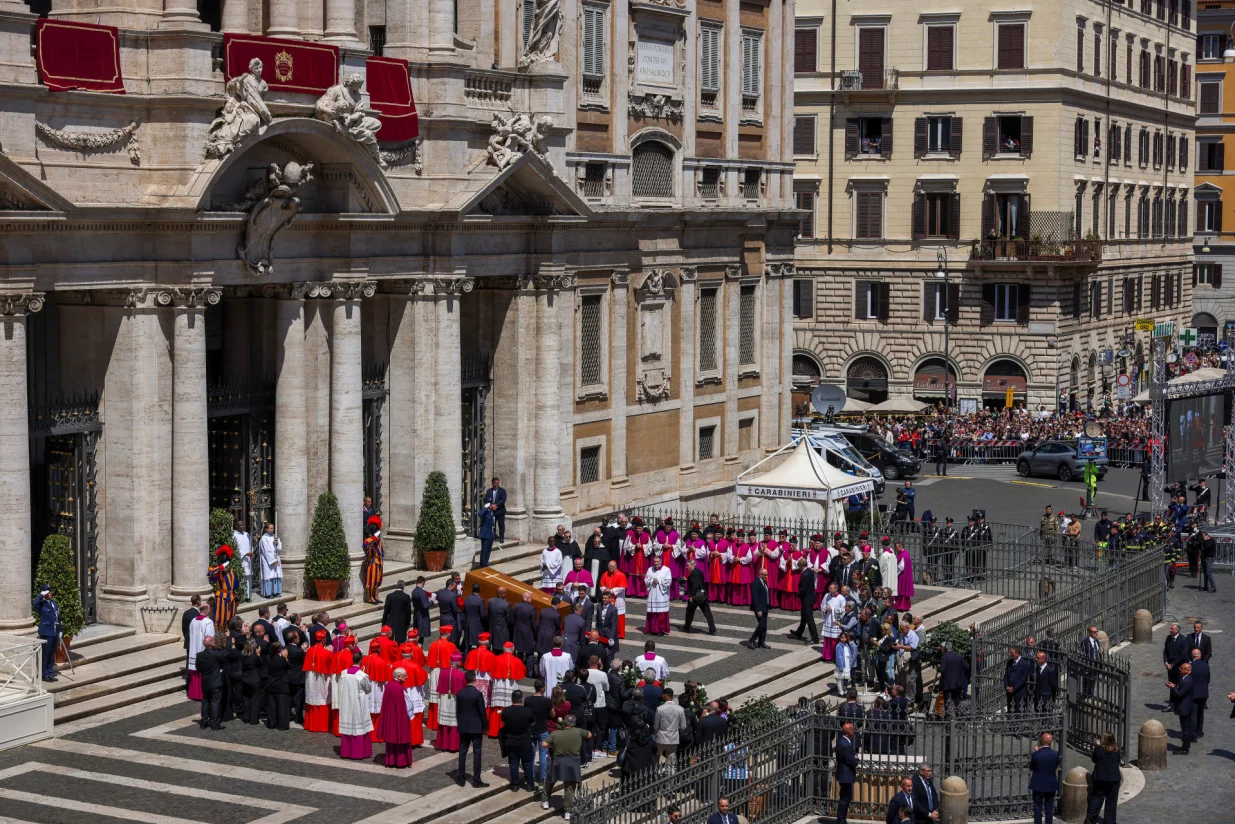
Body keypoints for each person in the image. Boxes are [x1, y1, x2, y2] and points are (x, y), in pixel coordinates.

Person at [541, 713, 590, 815]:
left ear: (564, 723)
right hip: (573, 762)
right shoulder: (579, 732)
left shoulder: (555, 733)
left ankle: (545, 800)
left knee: (550, 780)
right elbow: (589, 734)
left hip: (558, 761)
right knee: (570, 787)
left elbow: (544, 744)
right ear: (574, 723)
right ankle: (568, 810)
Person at [337, 648, 374, 760]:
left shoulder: (343, 673)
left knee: (348, 725)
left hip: (346, 704)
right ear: (361, 661)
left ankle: (346, 752)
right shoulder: (362, 676)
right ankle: (358, 752)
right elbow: (368, 689)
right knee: (359, 727)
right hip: (358, 705)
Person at [453, 670, 489, 786]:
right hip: (476, 727)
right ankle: (476, 779)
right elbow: (482, 712)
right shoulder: (478, 694)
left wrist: (460, 723)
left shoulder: (460, 693)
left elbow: (458, 711)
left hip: (463, 726)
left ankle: (461, 777)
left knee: (462, 752)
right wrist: (485, 726)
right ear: (475, 679)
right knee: (477, 753)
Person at [500, 689, 537, 791]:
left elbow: (504, 723)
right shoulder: (527, 711)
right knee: (528, 763)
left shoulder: (506, 711)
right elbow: (533, 723)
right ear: (521, 699)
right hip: (525, 741)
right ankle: (530, 785)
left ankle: (515, 785)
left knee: (513, 764)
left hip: (511, 741)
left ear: (512, 699)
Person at [378, 667, 414, 768]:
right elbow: (406, 705)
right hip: (399, 718)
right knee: (400, 738)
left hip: (391, 717)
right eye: (404, 675)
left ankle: (391, 760)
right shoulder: (399, 688)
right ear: (398, 676)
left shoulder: (389, 685)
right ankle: (401, 761)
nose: (406, 677)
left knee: (392, 737)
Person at [1085, 732, 1121, 824]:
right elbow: (1117, 761)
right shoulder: (1116, 750)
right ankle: (1110, 821)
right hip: (1113, 779)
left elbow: (1094, 759)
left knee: (1097, 798)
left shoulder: (1099, 750)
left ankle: (1091, 818)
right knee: (1111, 801)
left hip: (1100, 778)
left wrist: (1098, 746)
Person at [32, 585, 62, 683]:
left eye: (50, 592)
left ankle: (49, 673)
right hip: (46, 632)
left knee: (52, 654)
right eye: (47, 593)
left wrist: (60, 630)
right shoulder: (41, 605)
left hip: (54, 632)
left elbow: (58, 618)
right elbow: (34, 603)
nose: (49, 594)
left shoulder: (54, 604)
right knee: (46, 654)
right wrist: (41, 595)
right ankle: (45, 674)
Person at [1028, 732, 1060, 824]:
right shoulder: (1055, 754)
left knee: (1037, 808)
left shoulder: (1036, 754)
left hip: (1038, 784)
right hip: (1051, 784)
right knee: (1049, 808)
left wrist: (1038, 751)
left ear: (1042, 741)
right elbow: (1056, 765)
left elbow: (1032, 767)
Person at [653, 687, 687, 764]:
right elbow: (683, 727)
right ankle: (671, 775)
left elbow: (656, 726)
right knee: (671, 761)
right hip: (673, 738)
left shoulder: (660, 709)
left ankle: (654, 774)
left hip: (661, 738)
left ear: (665, 695)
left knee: (656, 756)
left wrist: (656, 734)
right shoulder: (680, 709)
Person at [1168, 661, 1196, 754]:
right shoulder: (1184, 677)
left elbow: (1180, 694)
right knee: (1184, 728)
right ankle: (1185, 746)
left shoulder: (1188, 681)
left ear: (1187, 671)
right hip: (1184, 707)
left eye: (1182, 668)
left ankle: (1185, 748)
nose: (1180, 669)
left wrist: (1173, 687)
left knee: (1186, 729)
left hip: (1185, 708)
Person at [788, 558, 819, 644]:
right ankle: (799, 633)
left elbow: (804, 588)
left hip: (807, 599)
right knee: (804, 618)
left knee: (809, 619)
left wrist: (798, 595)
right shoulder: (808, 572)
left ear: (801, 565)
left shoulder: (806, 574)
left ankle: (815, 638)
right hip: (808, 598)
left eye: (799, 565)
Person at [643, 553, 673, 636]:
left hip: (661, 595)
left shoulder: (666, 570)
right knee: (652, 613)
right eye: (655, 561)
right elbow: (646, 580)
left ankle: (661, 630)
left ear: (661, 561)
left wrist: (659, 581)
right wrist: (652, 580)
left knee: (661, 614)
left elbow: (668, 581)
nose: (656, 563)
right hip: (653, 593)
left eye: (657, 561)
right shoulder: (650, 569)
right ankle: (651, 629)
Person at [599, 560, 629, 640]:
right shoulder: (605, 574)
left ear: (616, 567)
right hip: (608, 599)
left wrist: (611, 591)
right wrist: (605, 589)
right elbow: (601, 585)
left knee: (619, 616)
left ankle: (619, 634)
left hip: (618, 599)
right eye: (609, 566)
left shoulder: (621, 575)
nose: (610, 568)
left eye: (612, 566)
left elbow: (622, 587)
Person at [835, 721, 858, 824]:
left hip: (845, 773)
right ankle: (841, 820)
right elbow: (854, 761)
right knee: (844, 799)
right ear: (849, 732)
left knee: (845, 798)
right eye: (853, 729)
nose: (854, 731)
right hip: (846, 774)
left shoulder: (844, 741)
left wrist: (855, 756)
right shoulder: (844, 744)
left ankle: (842, 819)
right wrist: (856, 758)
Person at [1162, 623, 1189, 711]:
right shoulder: (1168, 638)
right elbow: (1165, 651)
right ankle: (1171, 705)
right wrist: (1166, 662)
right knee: (1172, 685)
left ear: (1177, 630)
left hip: (1179, 667)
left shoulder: (1183, 640)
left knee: (1180, 686)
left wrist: (1173, 664)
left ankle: (1181, 704)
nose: (1170, 630)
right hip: (1170, 668)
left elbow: (1183, 655)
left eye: (1172, 629)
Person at [381, 580, 413, 649]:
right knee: (400, 642)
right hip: (402, 622)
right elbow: (408, 612)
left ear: (396, 586)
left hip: (391, 621)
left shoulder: (390, 596)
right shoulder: (406, 597)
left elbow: (386, 611)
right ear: (403, 587)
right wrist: (408, 623)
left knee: (390, 641)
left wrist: (383, 624)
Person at [1189, 648, 1211, 739]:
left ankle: (1193, 735)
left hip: (1193, 693)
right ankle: (1199, 731)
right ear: (1200, 655)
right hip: (1203, 693)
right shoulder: (1206, 666)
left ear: (1192, 655)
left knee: (1193, 714)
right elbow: (1208, 679)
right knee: (1201, 713)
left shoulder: (1190, 666)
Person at [361, 517, 384, 604]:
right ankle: (371, 598)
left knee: (378, 581)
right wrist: (374, 537)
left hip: (379, 562)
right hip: (373, 562)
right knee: (372, 581)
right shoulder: (369, 540)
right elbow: (365, 546)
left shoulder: (378, 540)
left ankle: (376, 596)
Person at [938, 642, 966, 713]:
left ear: (945, 648)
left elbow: (942, 669)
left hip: (948, 684)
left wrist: (938, 667)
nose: (941, 649)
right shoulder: (959, 656)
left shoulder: (944, 657)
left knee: (947, 702)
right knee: (957, 701)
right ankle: (957, 715)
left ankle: (949, 718)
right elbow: (967, 666)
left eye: (942, 648)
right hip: (958, 683)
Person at [747, 566, 771, 650]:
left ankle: (762, 642)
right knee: (762, 625)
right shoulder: (756, 583)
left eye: (767, 575)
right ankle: (751, 640)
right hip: (760, 608)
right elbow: (755, 597)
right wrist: (758, 610)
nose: (766, 576)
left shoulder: (764, 582)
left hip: (765, 607)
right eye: (765, 575)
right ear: (760, 574)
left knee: (764, 625)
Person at [257, 522, 282, 597]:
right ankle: (268, 593)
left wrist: (277, 543)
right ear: (267, 529)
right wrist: (273, 561)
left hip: (276, 559)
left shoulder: (275, 537)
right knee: (268, 576)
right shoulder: (264, 538)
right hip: (268, 561)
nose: (272, 530)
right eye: (271, 528)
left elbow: (279, 548)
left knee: (276, 575)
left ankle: (276, 592)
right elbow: (266, 551)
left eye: (273, 528)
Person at [1004, 646, 1031, 714]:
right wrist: (1006, 686)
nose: (1010, 655)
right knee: (1010, 711)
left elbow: (1023, 678)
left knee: (1018, 712)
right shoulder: (1009, 662)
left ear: (1017, 653)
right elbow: (1006, 675)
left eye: (1012, 653)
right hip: (1010, 692)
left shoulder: (1024, 664)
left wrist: (1014, 688)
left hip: (1019, 692)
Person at [462, 583, 488, 654]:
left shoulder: (467, 598)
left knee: (467, 645)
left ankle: (466, 660)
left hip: (467, 623)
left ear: (472, 589)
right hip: (477, 625)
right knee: (478, 644)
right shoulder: (480, 600)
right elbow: (482, 615)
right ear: (479, 590)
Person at [232, 520, 254, 600]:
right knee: (241, 577)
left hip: (248, 559)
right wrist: (245, 553)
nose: (242, 526)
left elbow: (250, 544)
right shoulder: (234, 535)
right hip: (240, 559)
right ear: (236, 526)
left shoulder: (246, 534)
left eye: (243, 525)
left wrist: (251, 553)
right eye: (240, 525)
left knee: (248, 578)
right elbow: (235, 548)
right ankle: (241, 596)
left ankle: (248, 596)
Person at [483, 477, 507, 543]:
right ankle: (493, 537)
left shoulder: (502, 490)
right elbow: (486, 499)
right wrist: (491, 505)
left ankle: (501, 537)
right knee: (492, 525)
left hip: (500, 511)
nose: (496, 484)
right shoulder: (489, 491)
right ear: (492, 483)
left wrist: (496, 505)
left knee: (501, 525)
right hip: (492, 511)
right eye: (495, 483)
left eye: (497, 483)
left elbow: (503, 499)